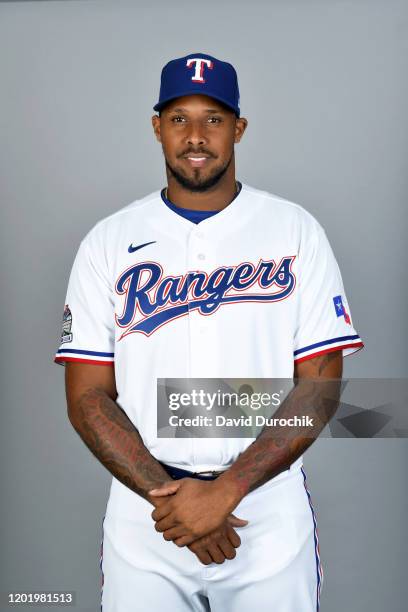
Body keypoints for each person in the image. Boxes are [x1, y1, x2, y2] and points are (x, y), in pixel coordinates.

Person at [54, 52, 364, 611]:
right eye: (179, 118)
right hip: (146, 513)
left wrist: (227, 490)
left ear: (239, 128)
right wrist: (173, 501)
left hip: (266, 511)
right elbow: (87, 397)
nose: (196, 136)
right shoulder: (108, 240)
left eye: (214, 119)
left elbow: (318, 385)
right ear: (157, 128)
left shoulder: (296, 231)